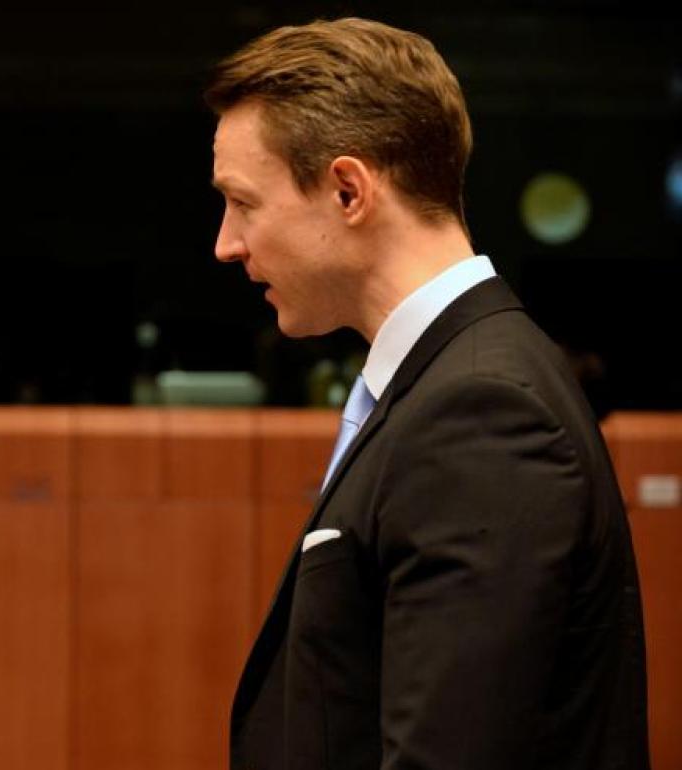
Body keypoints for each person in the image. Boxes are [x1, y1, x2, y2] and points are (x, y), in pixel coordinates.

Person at [206, 18, 648, 770]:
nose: (226, 242)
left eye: (243, 202)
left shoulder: (480, 410)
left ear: (349, 190)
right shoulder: (447, 382)